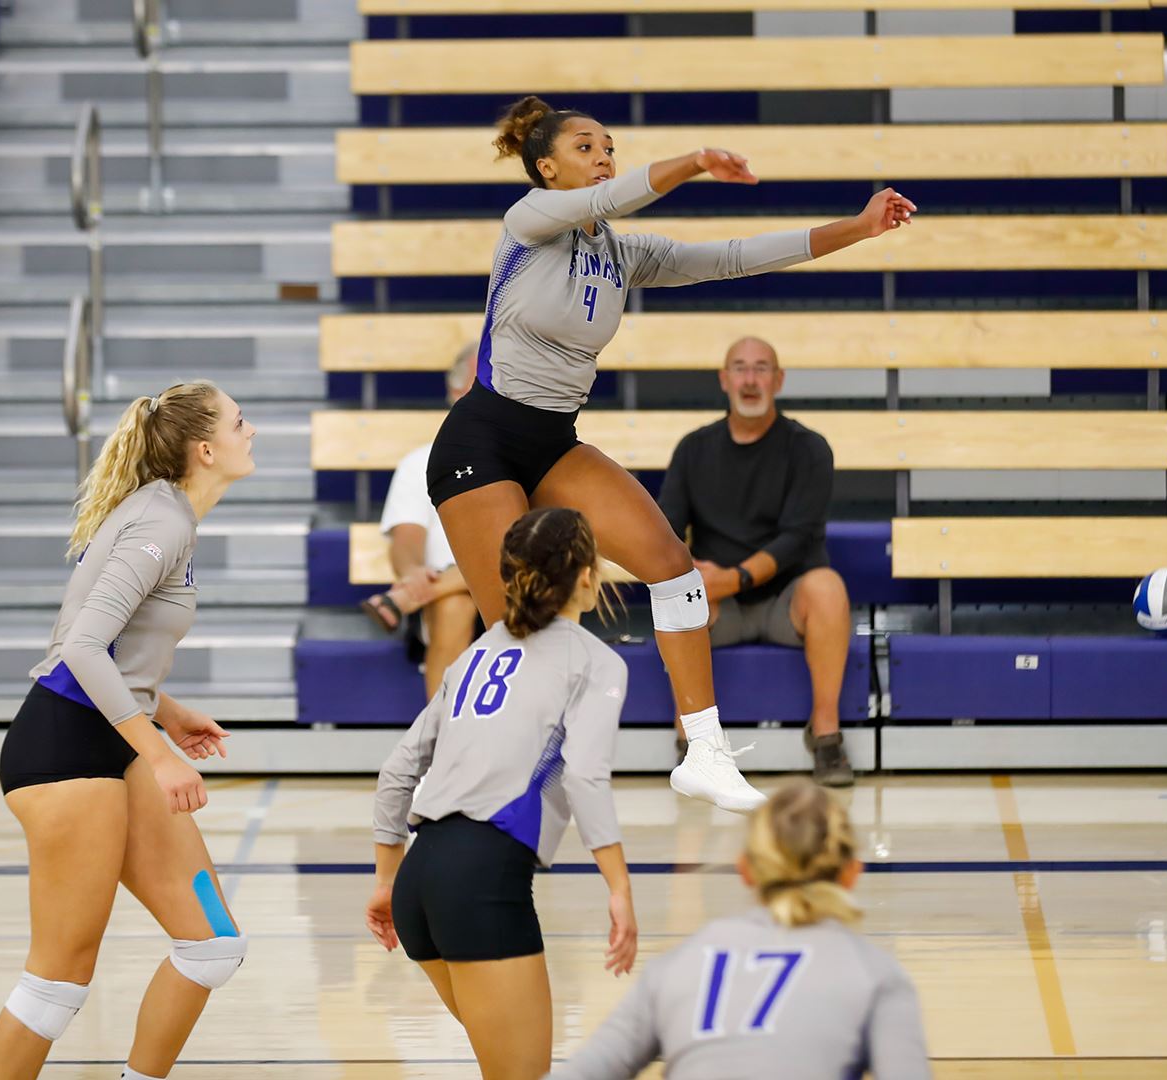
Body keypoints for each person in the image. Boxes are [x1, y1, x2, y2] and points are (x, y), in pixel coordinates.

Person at [426, 94, 914, 813]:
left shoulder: (622, 252)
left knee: (674, 572)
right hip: (481, 442)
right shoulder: (526, 222)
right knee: (517, 631)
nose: (603, 157)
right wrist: (691, 162)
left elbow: (738, 258)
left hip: (553, 441)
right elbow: (623, 192)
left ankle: (706, 753)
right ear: (547, 167)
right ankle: (459, 772)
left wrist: (860, 229)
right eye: (586, 148)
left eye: (609, 146)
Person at [0, 381, 252, 1080]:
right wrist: (160, 752)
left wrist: (166, 708)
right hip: (66, 751)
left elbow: (108, 649)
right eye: (239, 423)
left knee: (212, 944)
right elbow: (78, 648)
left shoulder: (168, 517)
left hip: (104, 738)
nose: (249, 433)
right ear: (205, 449)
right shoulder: (161, 521)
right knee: (57, 983)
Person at [367, 506, 638, 1080]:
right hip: (482, 885)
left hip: (419, 882)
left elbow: (397, 769)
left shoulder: (476, 653)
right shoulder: (596, 662)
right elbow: (587, 776)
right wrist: (619, 889)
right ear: (588, 574)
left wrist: (388, 881)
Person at [547, 780, 930, 1080]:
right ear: (851, 873)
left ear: (745, 869)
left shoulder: (681, 964)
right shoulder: (876, 975)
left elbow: (585, 1071)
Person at [658, 335, 854, 788]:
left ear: (778, 380)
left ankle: (825, 736)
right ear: (724, 380)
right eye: (741, 368)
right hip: (719, 601)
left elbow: (798, 539)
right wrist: (699, 577)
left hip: (786, 599)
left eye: (761, 368)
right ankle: (694, 743)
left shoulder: (809, 448)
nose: (750, 379)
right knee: (678, 591)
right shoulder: (693, 449)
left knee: (828, 587)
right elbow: (666, 530)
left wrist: (736, 578)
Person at [363, 343, 483, 697]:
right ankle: (442, 739)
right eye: (486, 382)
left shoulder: (533, 460)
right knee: (456, 604)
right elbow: (406, 542)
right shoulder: (421, 462)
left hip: (521, 590)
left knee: (510, 561)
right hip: (446, 599)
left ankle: (399, 601)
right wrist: (413, 573)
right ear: (457, 393)